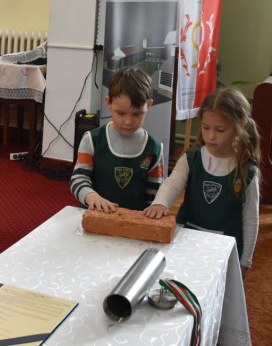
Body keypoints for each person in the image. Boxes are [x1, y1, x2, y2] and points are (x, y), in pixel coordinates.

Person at [146, 88, 261, 278]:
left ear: (238, 128)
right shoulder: (190, 159)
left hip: (223, 248)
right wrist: (160, 202)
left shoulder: (248, 172)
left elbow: (251, 220)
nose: (211, 136)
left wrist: (245, 260)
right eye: (206, 127)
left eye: (220, 130)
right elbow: (171, 184)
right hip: (186, 239)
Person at [71, 67, 166, 214]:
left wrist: (156, 207)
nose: (128, 122)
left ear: (148, 106)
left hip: (133, 220)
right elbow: (78, 179)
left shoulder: (154, 148)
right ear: (109, 103)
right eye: (121, 113)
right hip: (95, 215)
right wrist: (91, 197)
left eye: (137, 114)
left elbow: (155, 192)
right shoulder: (92, 140)